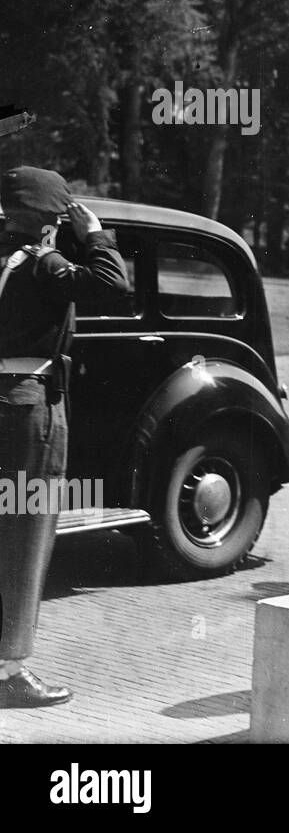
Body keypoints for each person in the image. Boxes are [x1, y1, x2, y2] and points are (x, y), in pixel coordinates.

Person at [0, 167, 128, 709]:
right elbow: (113, 284)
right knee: (27, 535)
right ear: (50, 222)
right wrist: (96, 234)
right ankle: (10, 670)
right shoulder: (42, 265)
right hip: (31, 408)